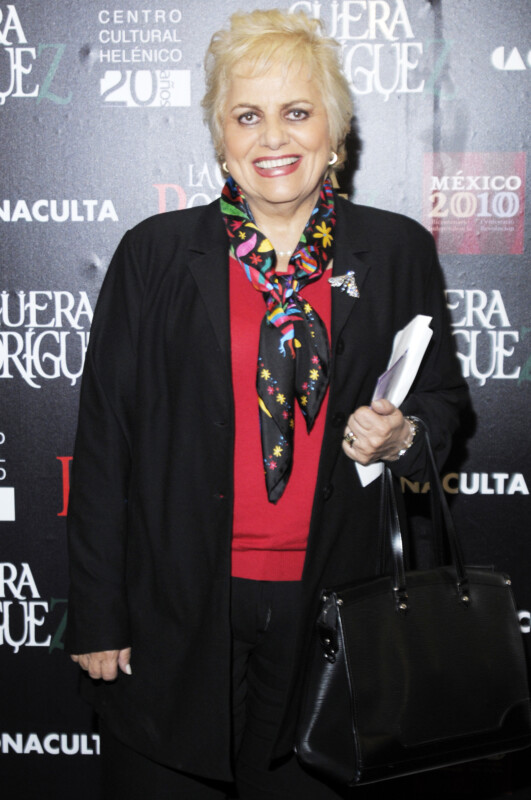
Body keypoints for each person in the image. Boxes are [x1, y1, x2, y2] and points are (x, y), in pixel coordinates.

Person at [66, 9, 468, 800]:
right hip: (176, 616)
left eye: (297, 112)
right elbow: (105, 444)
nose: (272, 138)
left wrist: (401, 437)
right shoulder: (154, 254)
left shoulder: (396, 251)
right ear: (220, 138)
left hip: (338, 616)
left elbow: (443, 406)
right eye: (247, 116)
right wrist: (98, 615)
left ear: (335, 133)